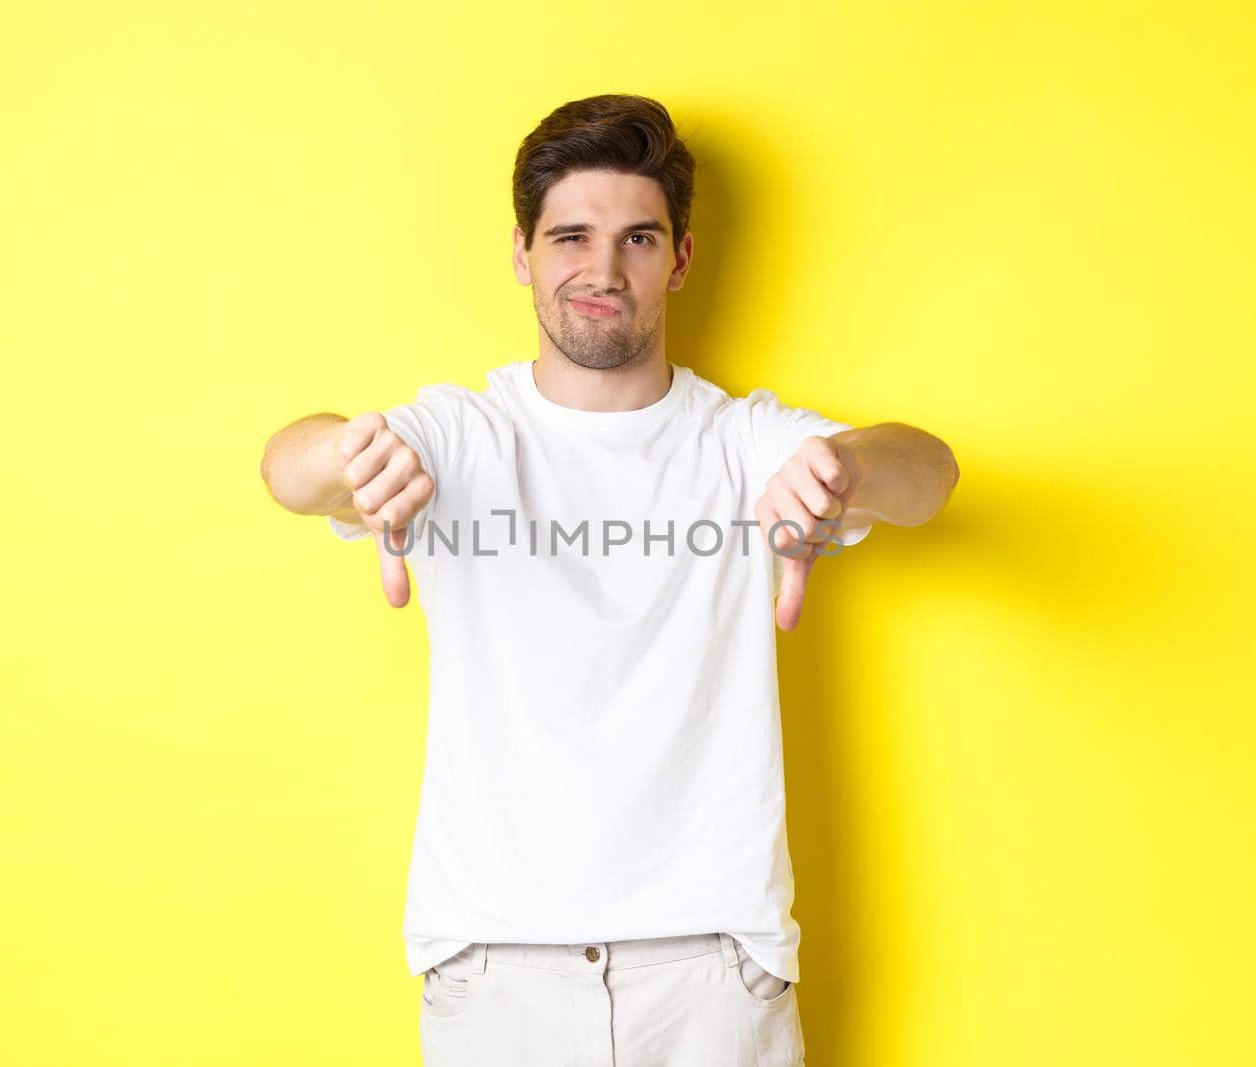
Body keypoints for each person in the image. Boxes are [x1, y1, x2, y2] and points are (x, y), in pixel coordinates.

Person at [260, 93, 959, 1067]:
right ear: (522, 252)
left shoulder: (742, 439)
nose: (600, 269)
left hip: (714, 971)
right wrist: (347, 453)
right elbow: (289, 469)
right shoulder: (458, 435)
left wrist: (846, 467)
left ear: (677, 257)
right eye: (570, 236)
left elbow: (928, 476)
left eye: (637, 237)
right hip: (495, 967)